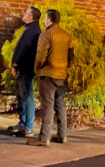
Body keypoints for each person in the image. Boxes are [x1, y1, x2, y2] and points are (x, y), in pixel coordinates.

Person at [27, 9, 73, 147]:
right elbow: (71, 56)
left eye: (45, 18)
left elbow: (41, 55)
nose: (44, 21)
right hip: (61, 75)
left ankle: (43, 138)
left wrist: (36, 69)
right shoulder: (66, 35)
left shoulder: (46, 35)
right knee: (60, 106)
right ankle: (62, 135)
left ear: (49, 20)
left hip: (47, 74)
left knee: (47, 107)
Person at [10, 7, 42, 138]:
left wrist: (16, 63)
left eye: (26, 13)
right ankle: (23, 123)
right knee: (23, 97)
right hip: (24, 68)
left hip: (25, 68)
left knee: (26, 97)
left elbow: (25, 49)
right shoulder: (30, 29)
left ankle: (28, 127)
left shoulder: (32, 30)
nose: (24, 15)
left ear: (32, 17)